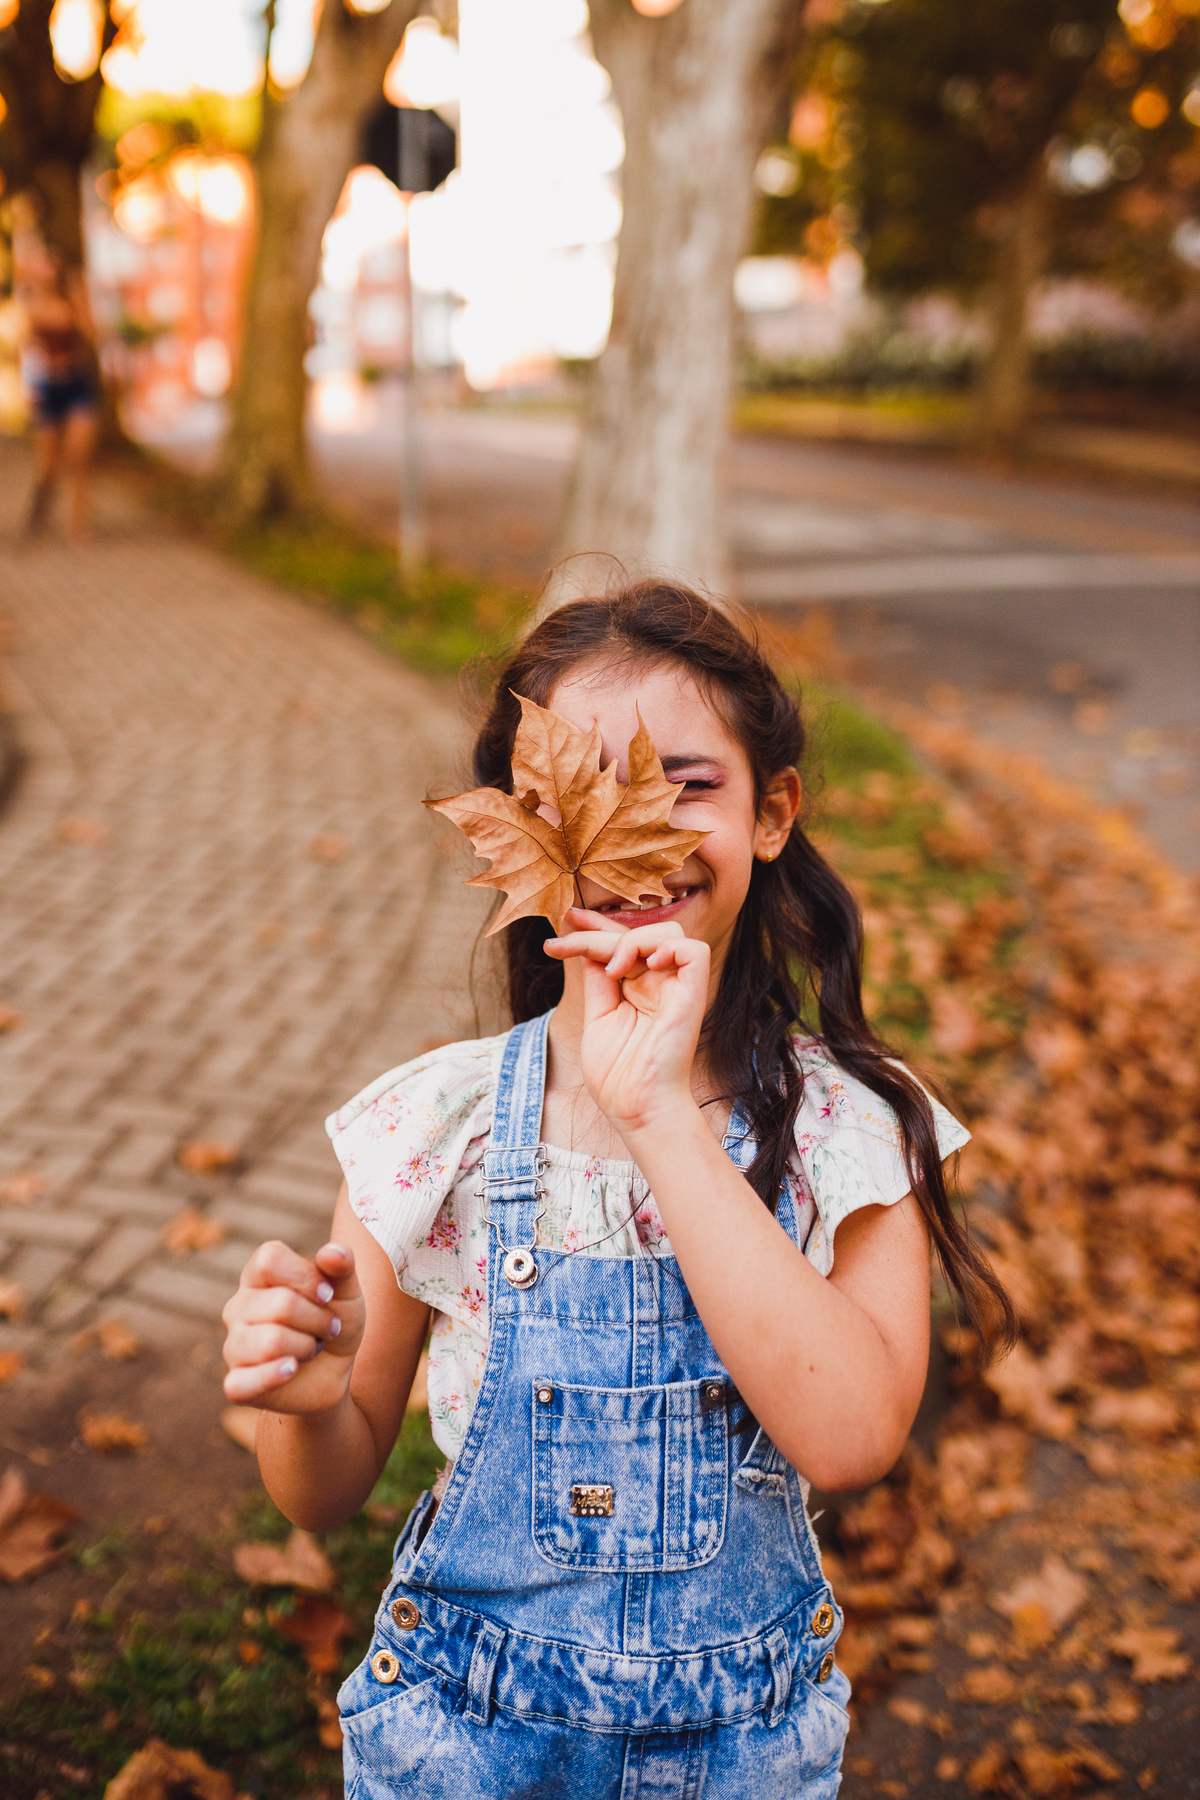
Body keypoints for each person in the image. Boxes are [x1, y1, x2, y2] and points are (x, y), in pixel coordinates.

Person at [221, 582, 1013, 1797]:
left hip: (739, 1760)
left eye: (687, 783)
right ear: (516, 834)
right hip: (463, 1747)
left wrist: (657, 1116)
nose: (632, 839)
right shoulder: (438, 1131)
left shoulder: (847, 1130)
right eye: (579, 794)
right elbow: (322, 1492)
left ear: (773, 812)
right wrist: (309, 1402)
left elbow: (852, 1436)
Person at [19, 241, 99, 541]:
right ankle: (40, 509)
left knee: (78, 457)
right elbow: (26, 349)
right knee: (48, 465)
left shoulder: (73, 300)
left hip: (76, 384)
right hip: (47, 388)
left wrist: (79, 297)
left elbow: (92, 334)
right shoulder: (31, 299)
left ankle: (79, 525)